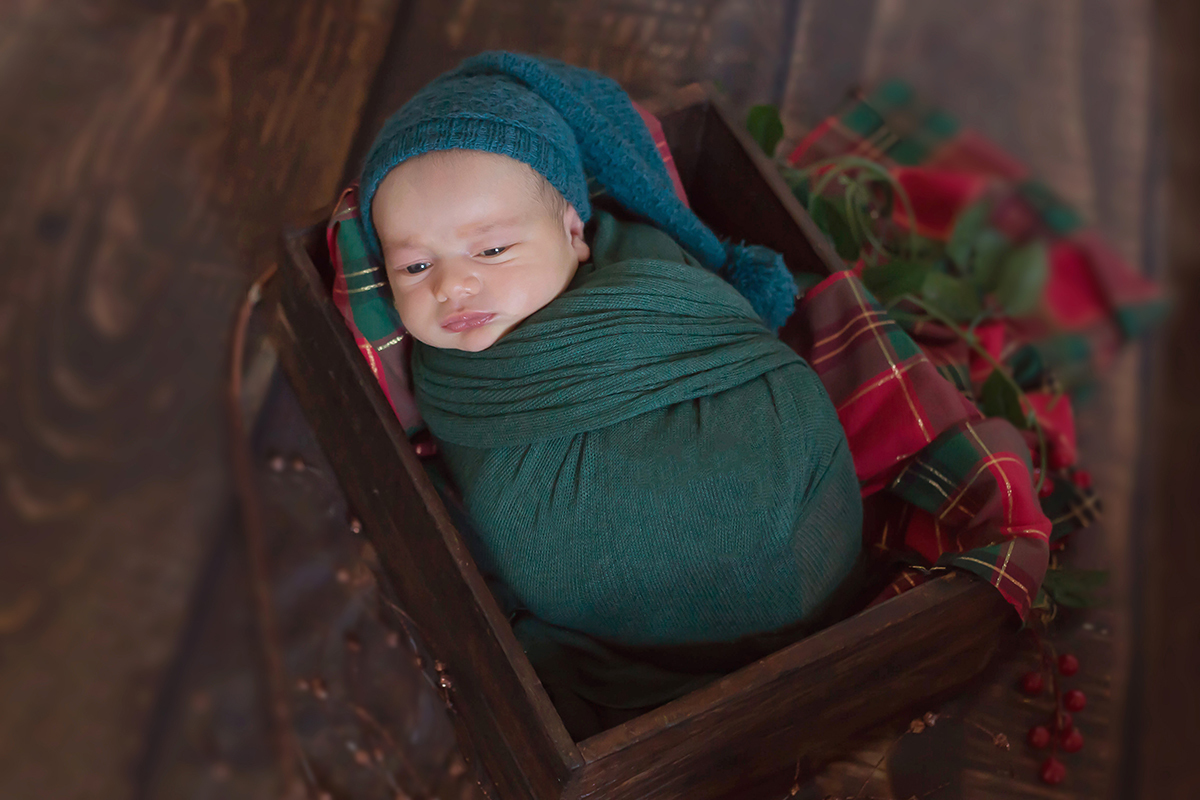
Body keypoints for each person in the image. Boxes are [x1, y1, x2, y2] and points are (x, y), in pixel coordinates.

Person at [356, 51, 864, 737]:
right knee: (535, 540)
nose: (452, 287)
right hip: (592, 561)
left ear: (575, 232)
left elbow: (732, 342)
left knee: (774, 480)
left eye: (492, 250)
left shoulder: (648, 272)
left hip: (772, 485)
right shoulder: (452, 368)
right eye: (415, 265)